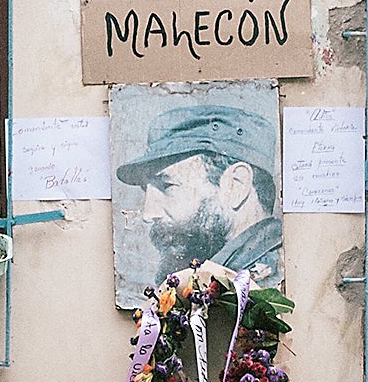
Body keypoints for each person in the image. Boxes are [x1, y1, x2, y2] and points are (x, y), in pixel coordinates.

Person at [116, 103, 283, 289]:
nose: (148, 213)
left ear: (237, 185)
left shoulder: (265, 278)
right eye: (145, 190)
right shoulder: (217, 277)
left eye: (167, 186)